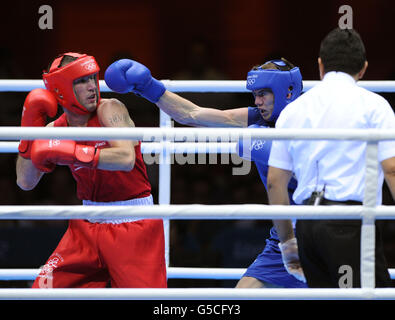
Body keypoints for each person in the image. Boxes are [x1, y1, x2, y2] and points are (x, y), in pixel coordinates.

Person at [104, 56, 307, 287]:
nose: (258, 101)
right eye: (255, 94)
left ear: (287, 92)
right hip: (283, 234)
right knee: (242, 294)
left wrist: (265, 145)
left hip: (319, 227)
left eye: (263, 94)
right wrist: (150, 87)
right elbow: (192, 115)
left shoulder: (313, 123)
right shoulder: (256, 118)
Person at [16, 52, 167, 288]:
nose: (92, 87)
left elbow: (126, 158)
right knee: (41, 291)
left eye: (92, 78)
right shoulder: (56, 129)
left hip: (133, 223)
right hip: (86, 225)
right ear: (61, 89)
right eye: (81, 81)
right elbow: (25, 182)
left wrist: (74, 152)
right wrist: (29, 134)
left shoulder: (110, 109)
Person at [267, 28, 395, 288]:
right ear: (363, 69)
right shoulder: (375, 106)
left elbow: (274, 182)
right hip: (348, 225)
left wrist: (289, 243)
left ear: (321, 66)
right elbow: (391, 170)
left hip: (307, 229)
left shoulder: (294, 111)